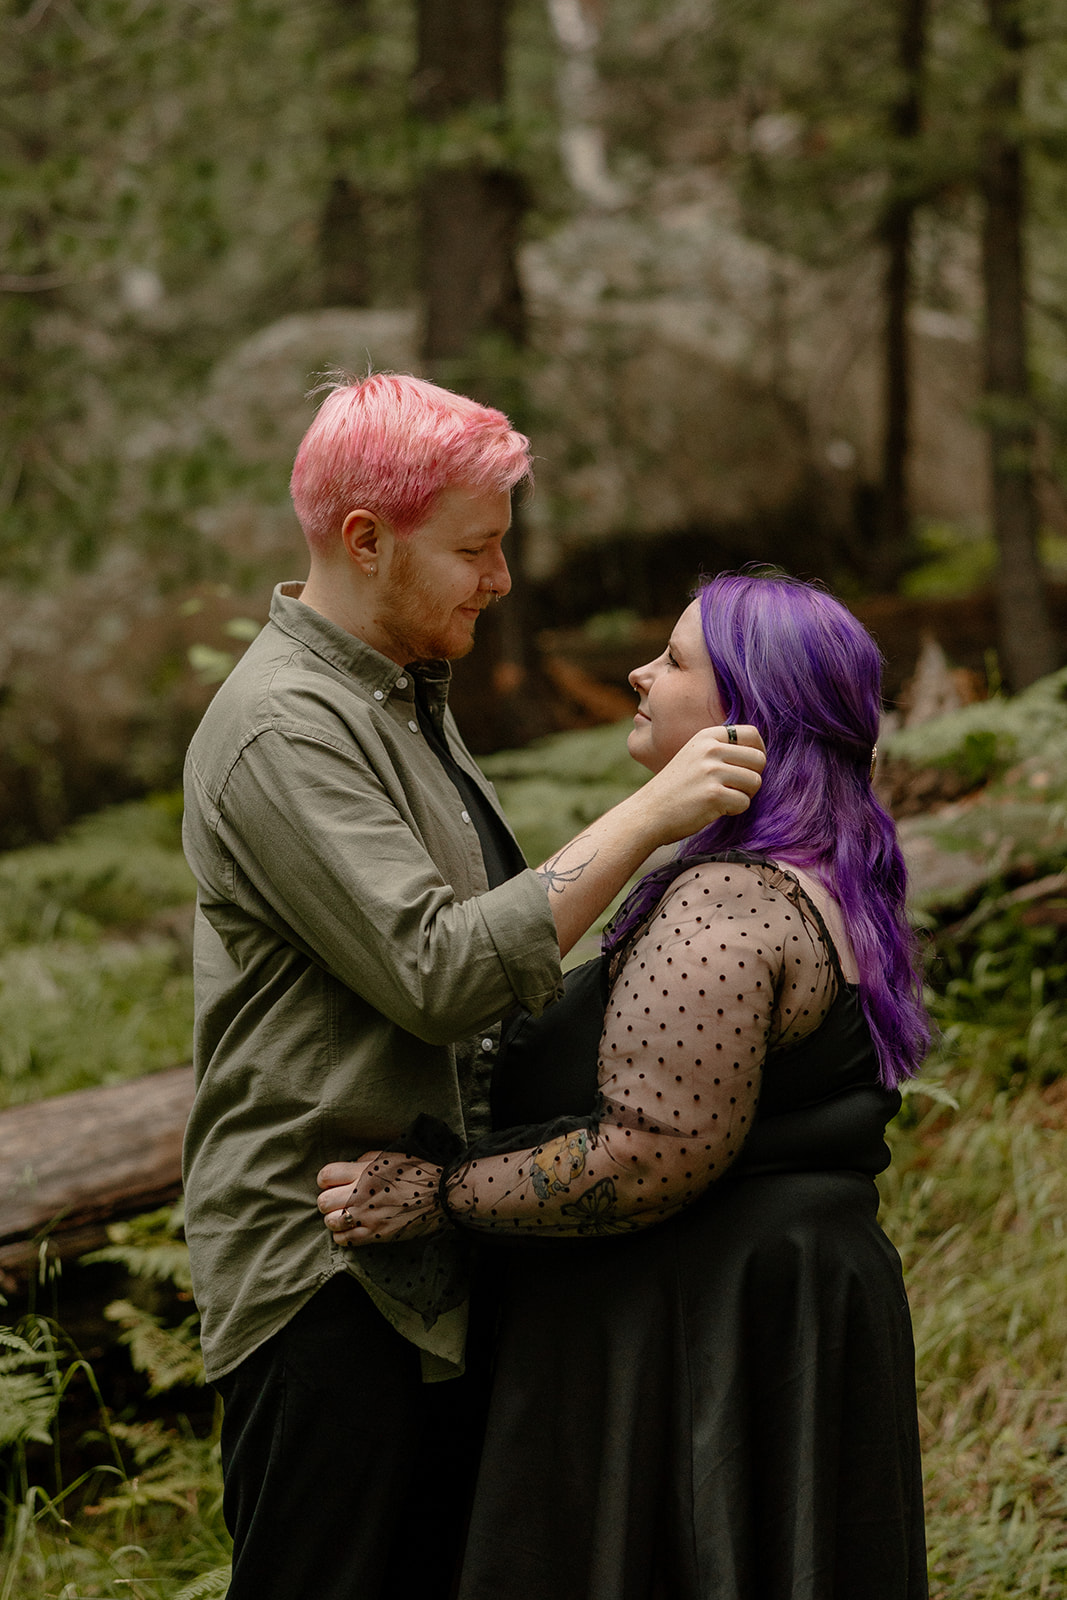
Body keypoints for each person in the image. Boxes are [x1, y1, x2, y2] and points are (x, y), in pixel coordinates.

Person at [181, 372, 765, 1600]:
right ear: (364, 539)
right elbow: (442, 970)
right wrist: (651, 813)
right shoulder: (284, 729)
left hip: (429, 1251)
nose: (499, 579)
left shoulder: (401, 700)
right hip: (324, 1277)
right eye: (476, 548)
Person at [319, 569, 931, 1600]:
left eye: (676, 659)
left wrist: (438, 1193)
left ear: (747, 714)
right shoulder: (834, 874)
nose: (640, 675)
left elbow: (646, 1155)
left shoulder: (726, 901)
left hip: (698, 1344)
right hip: (778, 1317)